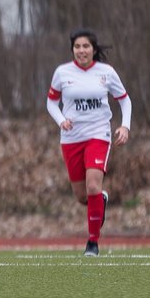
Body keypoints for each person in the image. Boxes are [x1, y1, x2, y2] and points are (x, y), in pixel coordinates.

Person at [46, 29, 132, 257]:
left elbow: (124, 100)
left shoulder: (106, 72)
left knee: (93, 185)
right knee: (82, 196)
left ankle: (92, 243)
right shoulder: (62, 72)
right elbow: (51, 102)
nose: (81, 50)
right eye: (77, 47)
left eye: (86, 46)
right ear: (72, 50)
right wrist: (61, 120)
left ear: (93, 49)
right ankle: (99, 201)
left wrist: (125, 126)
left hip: (98, 134)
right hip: (71, 138)